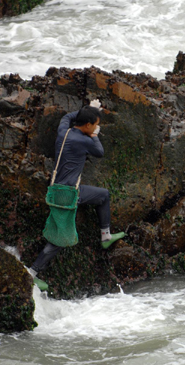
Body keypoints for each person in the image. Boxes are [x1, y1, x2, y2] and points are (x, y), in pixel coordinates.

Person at [29, 101, 124, 280]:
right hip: (68, 194)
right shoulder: (84, 140)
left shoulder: (63, 132)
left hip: (56, 188)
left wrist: (89, 110)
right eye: (96, 125)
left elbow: (67, 117)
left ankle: (106, 235)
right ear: (88, 125)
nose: (98, 128)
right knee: (59, 240)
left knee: (103, 195)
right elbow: (99, 152)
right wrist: (95, 135)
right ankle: (32, 272)